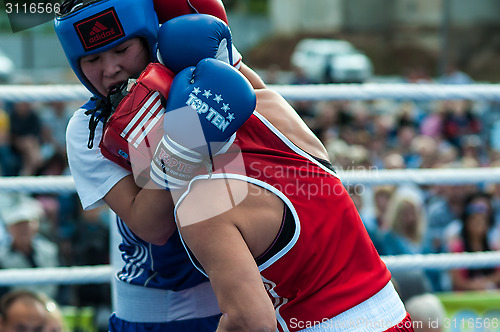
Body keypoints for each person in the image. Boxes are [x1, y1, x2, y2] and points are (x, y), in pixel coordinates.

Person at [54, 0, 265, 331]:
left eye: (122, 50)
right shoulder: (88, 128)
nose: (110, 70)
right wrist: (184, 144)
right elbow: (151, 226)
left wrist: (227, 61)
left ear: (147, 39)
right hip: (162, 312)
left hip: (254, 290)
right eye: (93, 59)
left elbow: (267, 114)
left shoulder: (194, 69)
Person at [0, 194, 60, 300]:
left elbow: (60, 285)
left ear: (36, 225)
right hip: (15, 309)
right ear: (9, 228)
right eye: (18, 224)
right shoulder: (2, 256)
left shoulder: (50, 251)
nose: (23, 229)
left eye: (27, 224)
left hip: (50, 305)